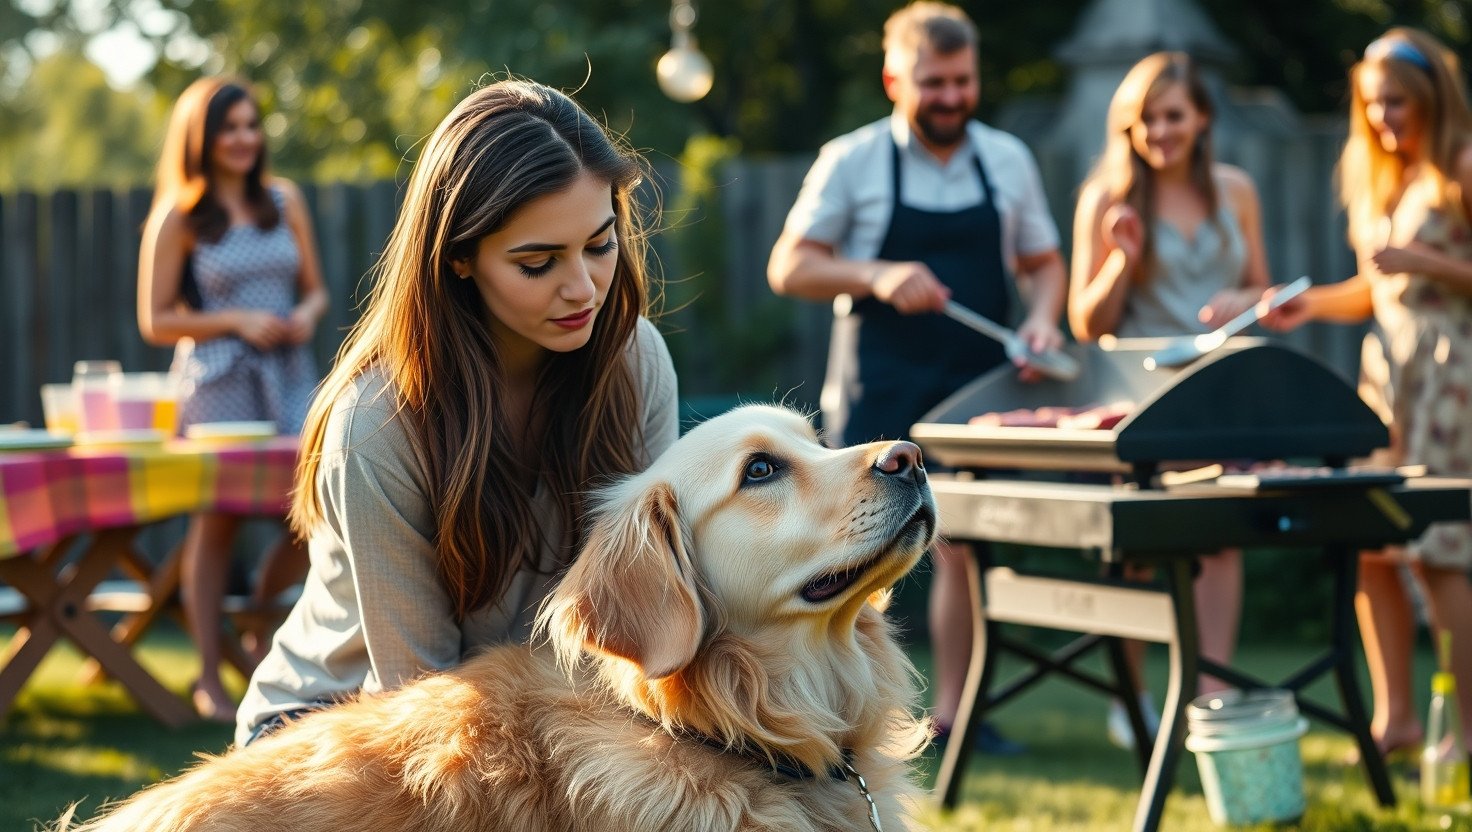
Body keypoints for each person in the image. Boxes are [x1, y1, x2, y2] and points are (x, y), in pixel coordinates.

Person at [233, 79, 679, 748]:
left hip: (535, 715)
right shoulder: (377, 425)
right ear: (459, 258)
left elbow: (654, 599)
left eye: (599, 244)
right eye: (537, 262)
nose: (583, 287)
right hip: (335, 733)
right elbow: (422, 708)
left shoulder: (635, 359)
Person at [767, 1, 1066, 755]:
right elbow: (789, 265)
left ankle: (958, 719)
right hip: (883, 388)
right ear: (894, 79)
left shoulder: (1007, 160)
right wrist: (876, 273)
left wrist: (1042, 321)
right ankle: (838, 716)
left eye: (963, 81)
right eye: (935, 83)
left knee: (961, 548)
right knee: (858, 559)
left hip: (979, 393)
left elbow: (1043, 263)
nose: (952, 97)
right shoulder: (853, 160)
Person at [1262, 28, 1472, 758]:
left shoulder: (1460, 168)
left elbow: (1423, 277)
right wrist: (1310, 305)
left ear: (1430, 99)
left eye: (1398, 102)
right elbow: (1376, 293)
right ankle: (1397, 720)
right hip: (1387, 381)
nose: (1385, 117)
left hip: (1451, 381)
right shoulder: (1383, 181)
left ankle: (1467, 734)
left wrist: (1426, 259)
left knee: (1438, 551)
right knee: (1372, 547)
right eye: (1374, 104)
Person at [1069, 52, 1269, 749]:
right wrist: (1123, 257)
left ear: (1202, 117)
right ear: (1128, 125)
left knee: (1220, 544)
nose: (1160, 130)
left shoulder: (1237, 191)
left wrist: (1246, 301)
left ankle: (1210, 694)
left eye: (1174, 115)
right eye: (1146, 118)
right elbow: (1084, 323)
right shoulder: (1106, 198)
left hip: (1218, 392)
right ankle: (1134, 699)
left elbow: (1261, 293)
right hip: (1139, 401)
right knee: (1139, 553)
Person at [138, 77, 327, 722]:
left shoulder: (284, 200)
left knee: (312, 511)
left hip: (289, 375)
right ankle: (210, 680)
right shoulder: (180, 216)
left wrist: (302, 314)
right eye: (230, 127)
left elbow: (316, 290)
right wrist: (238, 320)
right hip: (218, 384)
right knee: (216, 524)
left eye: (252, 125)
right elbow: (157, 320)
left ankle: (257, 639)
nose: (245, 138)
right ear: (202, 138)